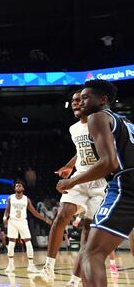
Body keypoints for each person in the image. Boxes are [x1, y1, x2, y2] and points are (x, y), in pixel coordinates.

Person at [57, 80, 134, 287]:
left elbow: (109, 162)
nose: (80, 102)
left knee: (92, 253)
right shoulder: (126, 121)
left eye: (85, 97)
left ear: (103, 99)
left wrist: (72, 181)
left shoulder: (98, 117)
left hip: (126, 185)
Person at [41, 90, 116, 284]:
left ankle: (74, 280)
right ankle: (48, 268)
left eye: (79, 100)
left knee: (87, 233)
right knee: (62, 215)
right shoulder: (74, 128)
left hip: (101, 181)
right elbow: (80, 151)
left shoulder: (101, 122)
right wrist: (69, 165)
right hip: (81, 177)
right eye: (73, 101)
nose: (75, 103)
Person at [3, 180, 52, 274]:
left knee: (28, 242)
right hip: (12, 221)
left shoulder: (26, 199)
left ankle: (31, 265)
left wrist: (45, 219)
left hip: (22, 222)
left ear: (23, 188)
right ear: (14, 188)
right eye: (16, 186)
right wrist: (4, 217)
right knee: (11, 243)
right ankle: (10, 265)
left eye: (19, 186)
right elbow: (7, 210)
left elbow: (34, 212)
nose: (18, 187)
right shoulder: (10, 198)